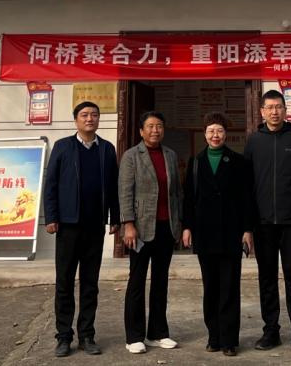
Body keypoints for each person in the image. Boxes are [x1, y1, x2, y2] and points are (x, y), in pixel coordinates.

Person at [43, 101, 121, 358]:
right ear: (76, 119)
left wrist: (115, 217)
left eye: (94, 115)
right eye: (85, 115)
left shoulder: (106, 149)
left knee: (90, 283)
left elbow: (113, 186)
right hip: (68, 226)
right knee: (64, 283)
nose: (90, 119)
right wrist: (51, 217)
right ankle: (64, 336)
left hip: (94, 226)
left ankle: (87, 335)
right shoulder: (63, 146)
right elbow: (51, 184)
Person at [245, 89, 291, 354]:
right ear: (262, 112)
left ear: (286, 111)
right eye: (270, 107)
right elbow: (247, 186)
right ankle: (270, 331)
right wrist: (248, 224)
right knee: (267, 278)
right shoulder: (254, 142)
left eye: (279, 107)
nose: (274, 112)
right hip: (262, 224)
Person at [181, 113, 257, 357]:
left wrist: (247, 230)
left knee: (229, 288)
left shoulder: (238, 161)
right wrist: (187, 227)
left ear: (226, 134)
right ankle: (213, 337)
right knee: (210, 287)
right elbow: (189, 198)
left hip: (231, 234)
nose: (215, 135)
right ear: (205, 134)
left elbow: (247, 198)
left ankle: (229, 340)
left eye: (220, 131)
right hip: (204, 234)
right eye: (211, 131)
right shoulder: (196, 162)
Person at [118, 111, 183, 354]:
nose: (155, 130)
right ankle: (134, 336)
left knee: (160, 281)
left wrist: (180, 223)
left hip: (166, 227)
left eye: (159, 126)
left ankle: (157, 333)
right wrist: (128, 224)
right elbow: (125, 192)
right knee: (137, 280)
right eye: (150, 126)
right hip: (140, 228)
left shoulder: (170, 155)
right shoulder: (131, 156)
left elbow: (177, 192)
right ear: (141, 131)